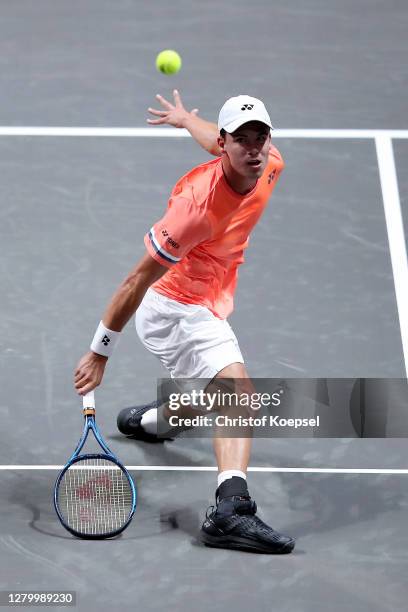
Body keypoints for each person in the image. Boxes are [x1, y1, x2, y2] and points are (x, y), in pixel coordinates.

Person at [74, 90, 295, 554]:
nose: (253, 148)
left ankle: (152, 421)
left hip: (209, 298)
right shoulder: (193, 210)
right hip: (175, 307)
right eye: (241, 139)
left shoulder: (268, 161)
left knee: (205, 400)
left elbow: (212, 142)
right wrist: (99, 351)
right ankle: (230, 512)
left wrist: (185, 118)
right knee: (238, 396)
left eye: (260, 136)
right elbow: (135, 280)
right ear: (227, 142)